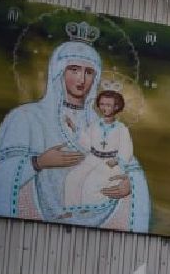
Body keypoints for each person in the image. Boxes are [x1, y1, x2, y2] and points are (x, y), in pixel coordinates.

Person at [0, 37, 149, 232]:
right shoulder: (26, 117)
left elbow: (128, 161)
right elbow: (1, 173)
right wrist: (38, 162)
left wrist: (130, 184)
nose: (81, 79)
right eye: (74, 70)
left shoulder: (103, 122)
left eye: (88, 72)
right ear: (58, 71)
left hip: (100, 210)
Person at [62, 85, 150, 231]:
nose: (104, 108)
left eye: (108, 105)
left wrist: (117, 161)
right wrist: (74, 128)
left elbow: (126, 148)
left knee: (91, 183)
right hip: (93, 158)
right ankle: (71, 210)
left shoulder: (121, 128)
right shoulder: (95, 125)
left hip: (110, 162)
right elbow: (87, 142)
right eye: (102, 104)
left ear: (116, 107)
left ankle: (87, 211)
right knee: (72, 177)